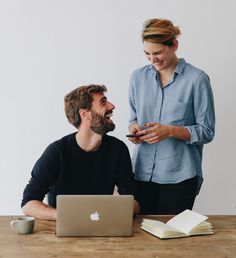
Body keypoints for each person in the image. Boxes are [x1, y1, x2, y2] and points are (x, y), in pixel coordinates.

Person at [128, 18, 215, 215]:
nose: (152, 59)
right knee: (140, 239)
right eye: (147, 54)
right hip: (141, 173)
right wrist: (134, 130)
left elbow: (207, 131)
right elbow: (133, 119)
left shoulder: (197, 80)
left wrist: (169, 131)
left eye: (158, 53)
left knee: (172, 240)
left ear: (174, 45)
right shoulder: (137, 78)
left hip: (180, 177)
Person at [22, 84, 140, 220]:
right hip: (63, 230)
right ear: (85, 114)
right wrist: (67, 216)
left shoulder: (118, 149)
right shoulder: (56, 152)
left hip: (103, 229)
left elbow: (134, 202)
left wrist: (108, 215)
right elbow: (28, 204)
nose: (112, 106)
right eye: (103, 102)